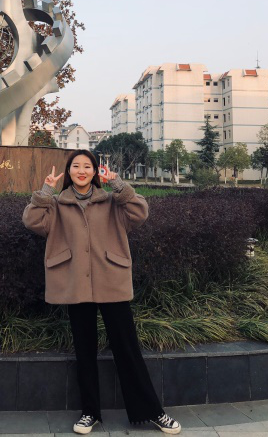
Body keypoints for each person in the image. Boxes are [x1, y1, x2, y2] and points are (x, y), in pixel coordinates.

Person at [22, 149, 181, 435]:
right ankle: (89, 413)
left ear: (95, 172)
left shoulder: (111, 201)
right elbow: (32, 221)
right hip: (75, 283)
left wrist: (118, 185)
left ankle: (153, 412)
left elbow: (140, 212)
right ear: (68, 172)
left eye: (87, 166)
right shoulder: (57, 204)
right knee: (84, 351)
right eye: (76, 166)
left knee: (127, 348)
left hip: (111, 280)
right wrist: (45, 191)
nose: (81, 171)